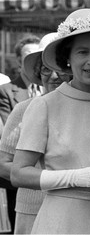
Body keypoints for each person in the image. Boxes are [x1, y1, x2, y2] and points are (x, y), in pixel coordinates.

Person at [11, 8, 90, 234]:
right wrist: (75, 177)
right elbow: (19, 173)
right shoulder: (45, 106)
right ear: (67, 58)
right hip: (61, 224)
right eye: (82, 52)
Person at [0, 33, 71, 234]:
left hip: (78, 209)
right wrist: (57, 180)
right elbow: (3, 164)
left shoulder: (87, 110)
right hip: (33, 209)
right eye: (47, 68)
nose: (54, 76)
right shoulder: (24, 109)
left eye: (60, 68)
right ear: (39, 72)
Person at [0, 35, 40, 233]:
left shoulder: (57, 90)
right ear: (18, 60)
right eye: (29, 55)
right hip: (18, 176)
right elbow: (9, 132)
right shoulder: (6, 91)